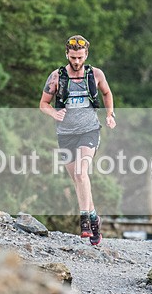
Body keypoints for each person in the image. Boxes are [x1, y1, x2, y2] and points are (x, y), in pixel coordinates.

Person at [39, 35, 116, 245]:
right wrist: (53, 114)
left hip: (89, 131)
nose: (76, 61)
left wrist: (110, 114)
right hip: (65, 134)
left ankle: (84, 219)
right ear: (67, 54)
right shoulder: (56, 77)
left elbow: (107, 93)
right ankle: (94, 217)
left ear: (86, 55)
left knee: (82, 173)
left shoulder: (95, 74)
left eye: (80, 57)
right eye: (73, 57)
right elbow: (43, 103)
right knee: (78, 180)